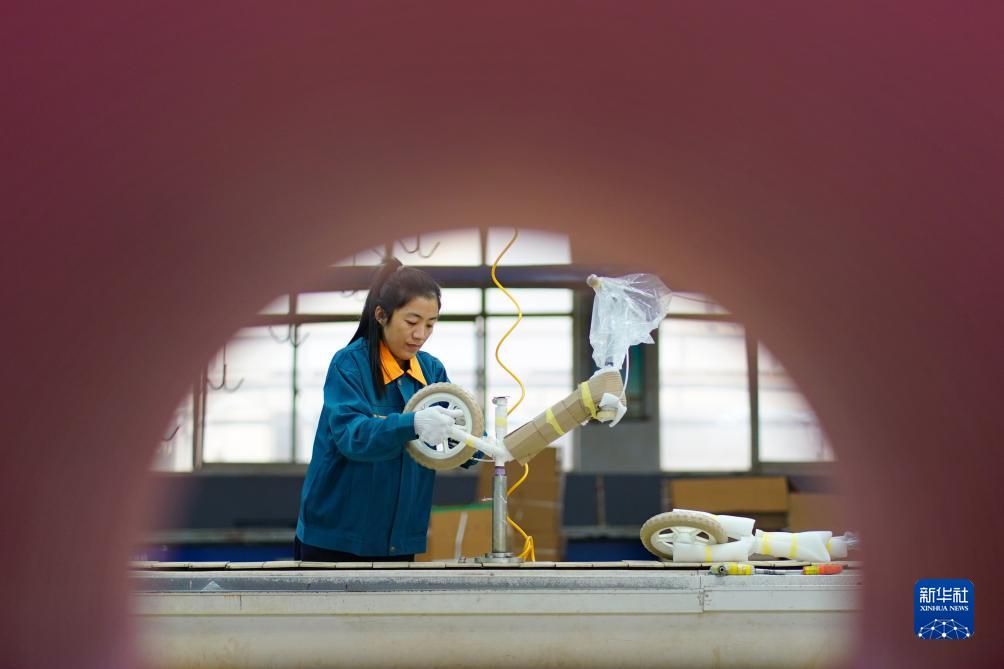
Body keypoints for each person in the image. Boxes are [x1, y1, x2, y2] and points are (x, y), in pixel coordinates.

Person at [294, 258, 472, 562]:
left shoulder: (431, 370)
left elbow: (460, 430)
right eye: (412, 322)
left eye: (430, 324)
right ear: (381, 315)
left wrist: (487, 446)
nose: (420, 334)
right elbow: (353, 436)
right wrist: (412, 424)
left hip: (398, 539)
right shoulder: (349, 365)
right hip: (337, 538)